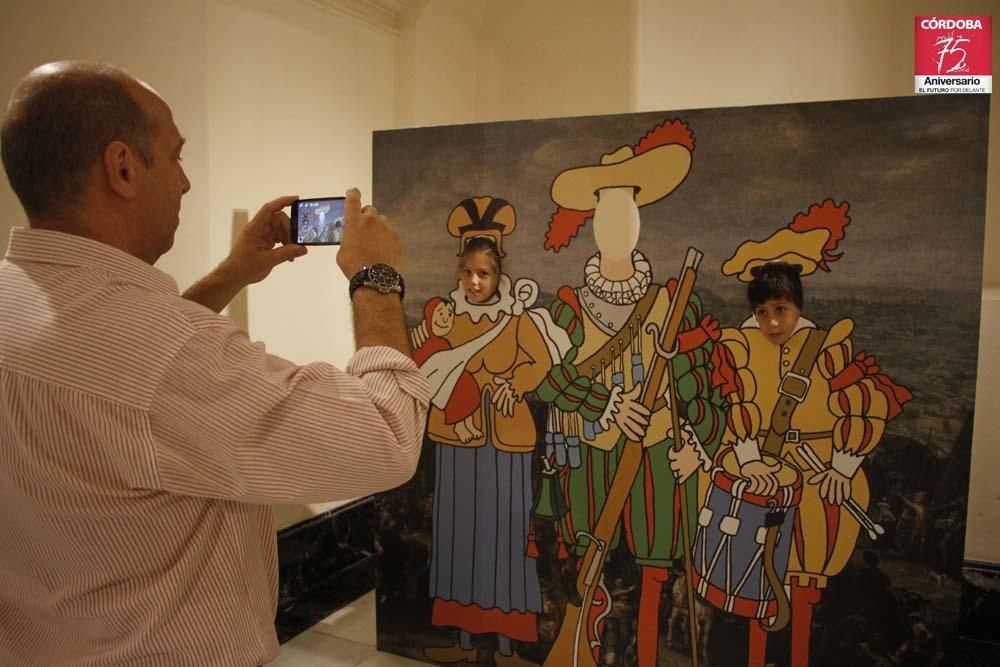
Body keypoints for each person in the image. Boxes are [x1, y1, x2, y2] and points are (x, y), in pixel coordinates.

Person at [0, 60, 428, 667]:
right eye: (175, 158)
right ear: (122, 168)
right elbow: (388, 437)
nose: (185, 183)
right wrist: (375, 277)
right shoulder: (168, 353)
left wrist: (232, 274)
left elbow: (117, 369)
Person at [684, 211, 913, 667]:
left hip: (819, 476)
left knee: (804, 583)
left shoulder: (827, 348)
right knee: (752, 588)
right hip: (760, 472)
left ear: (798, 306)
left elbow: (864, 404)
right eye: (763, 311)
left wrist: (844, 466)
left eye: (781, 309)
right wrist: (749, 462)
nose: (772, 321)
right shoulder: (740, 348)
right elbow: (737, 406)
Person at [415, 199, 559, 667]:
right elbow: (430, 365)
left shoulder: (516, 320)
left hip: (507, 445)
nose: (476, 282)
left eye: (485, 274)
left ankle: (505, 645)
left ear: (498, 276)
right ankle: (460, 641)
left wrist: (511, 385)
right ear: (459, 273)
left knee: (506, 539)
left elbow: (539, 363)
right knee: (459, 535)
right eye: (468, 273)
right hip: (458, 441)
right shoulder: (446, 319)